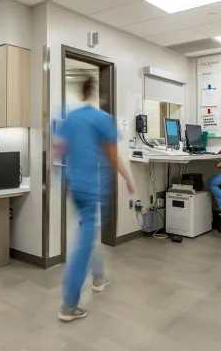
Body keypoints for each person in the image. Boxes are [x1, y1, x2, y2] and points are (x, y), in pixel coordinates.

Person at [55, 76, 136, 322]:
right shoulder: (102, 118)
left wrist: (59, 176)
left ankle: (99, 276)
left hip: (75, 187)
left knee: (88, 233)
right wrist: (128, 179)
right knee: (83, 242)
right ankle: (69, 305)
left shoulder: (71, 117)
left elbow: (58, 151)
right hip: (93, 188)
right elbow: (112, 156)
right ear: (98, 95)